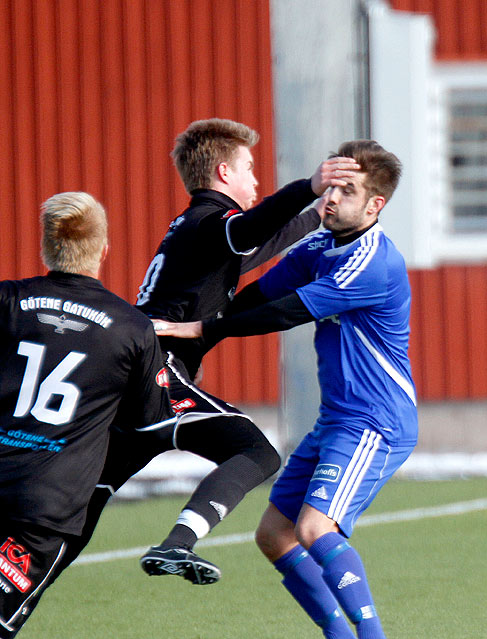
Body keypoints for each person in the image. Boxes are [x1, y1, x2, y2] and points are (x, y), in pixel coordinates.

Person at [154, 139, 417, 639]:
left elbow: (286, 313)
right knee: (275, 536)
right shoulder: (322, 245)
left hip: (377, 419)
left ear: (375, 207)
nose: (333, 196)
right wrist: (188, 332)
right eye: (333, 184)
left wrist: (204, 330)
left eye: (349, 191)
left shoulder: (374, 262)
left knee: (315, 525)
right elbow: (257, 296)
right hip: (339, 418)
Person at [54, 118, 359, 586]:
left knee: (86, 499)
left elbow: (261, 243)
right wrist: (308, 187)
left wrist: (319, 213)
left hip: (130, 377)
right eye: (250, 169)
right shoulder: (208, 223)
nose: (256, 181)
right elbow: (254, 227)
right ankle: (178, 543)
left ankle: (19, 589)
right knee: (256, 452)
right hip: (154, 370)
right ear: (222, 173)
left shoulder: (200, 231)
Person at [0, 192, 174, 639]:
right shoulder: (131, 327)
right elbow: (151, 422)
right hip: (44, 507)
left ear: (45, 246)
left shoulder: (7, 300)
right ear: (103, 250)